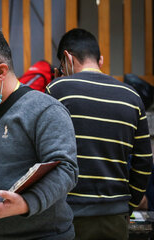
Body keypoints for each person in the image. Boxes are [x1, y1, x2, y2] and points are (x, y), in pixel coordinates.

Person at [0, 28, 78, 240]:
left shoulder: (45, 110)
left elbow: (66, 170)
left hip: (42, 235)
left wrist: (26, 203)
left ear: (1, 71)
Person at [46, 28, 153, 240]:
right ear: (100, 60)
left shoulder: (56, 90)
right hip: (115, 217)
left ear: (67, 58)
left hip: (66, 215)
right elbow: (144, 162)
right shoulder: (132, 97)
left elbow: (42, 154)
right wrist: (127, 205)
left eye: (61, 67)